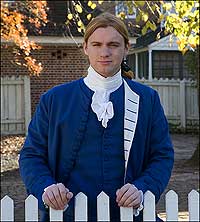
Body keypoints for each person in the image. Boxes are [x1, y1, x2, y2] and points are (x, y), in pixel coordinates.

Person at [19, 12, 174, 221]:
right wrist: (46, 187)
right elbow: (31, 155)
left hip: (130, 216)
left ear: (126, 48)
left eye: (113, 44)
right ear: (85, 48)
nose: (105, 52)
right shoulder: (54, 100)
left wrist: (141, 189)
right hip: (67, 215)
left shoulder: (147, 99)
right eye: (96, 44)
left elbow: (162, 156)